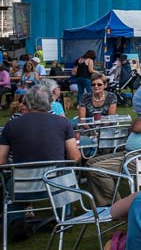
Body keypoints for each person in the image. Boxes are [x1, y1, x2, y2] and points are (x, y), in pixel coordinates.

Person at [0, 87, 81, 241]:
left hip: (21, 187)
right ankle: (64, 215)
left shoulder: (12, 125)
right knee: (64, 172)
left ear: (27, 102)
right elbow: (75, 157)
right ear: (50, 103)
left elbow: (1, 161)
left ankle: (16, 220)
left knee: (10, 182)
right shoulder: (62, 122)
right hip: (55, 185)